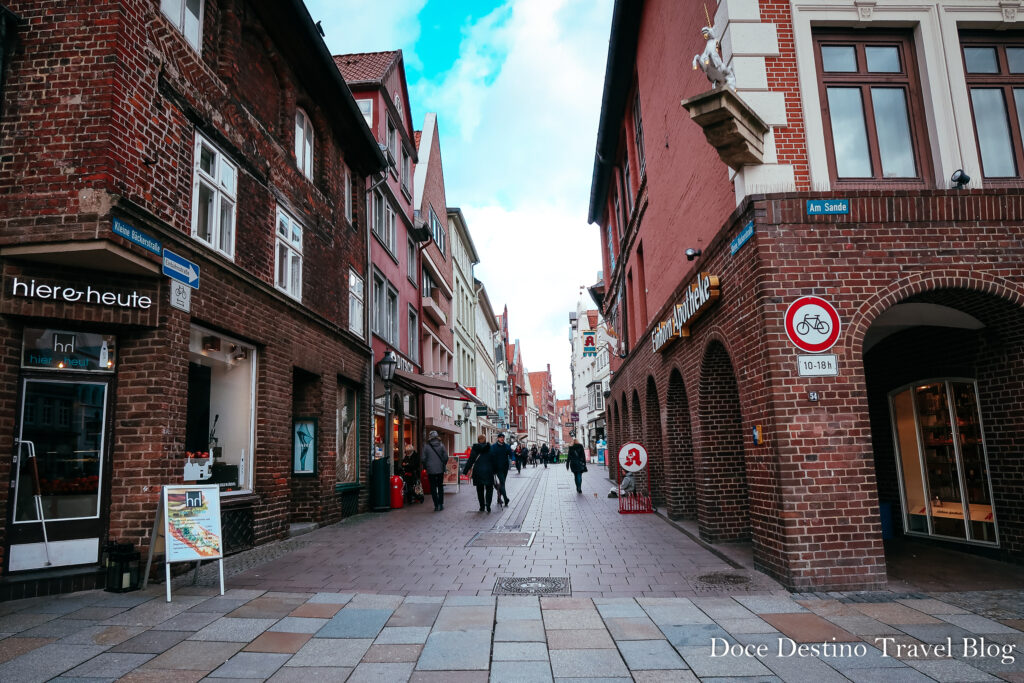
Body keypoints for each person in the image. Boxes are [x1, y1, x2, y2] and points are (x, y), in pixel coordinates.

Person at [463, 434, 496, 512]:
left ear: (478, 440)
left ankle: (482, 506)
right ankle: (488, 504)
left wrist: (465, 471)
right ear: (485, 440)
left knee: (480, 489)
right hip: (488, 471)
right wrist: (495, 471)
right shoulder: (490, 448)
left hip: (478, 471)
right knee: (489, 488)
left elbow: (471, 460)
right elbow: (494, 460)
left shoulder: (475, 449)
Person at [422, 430, 449, 511]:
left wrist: (426, 466)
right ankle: (441, 504)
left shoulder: (426, 447)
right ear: (437, 437)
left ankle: (436, 505)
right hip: (440, 469)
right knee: (440, 486)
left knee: (433, 488)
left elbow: (423, 458)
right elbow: (446, 457)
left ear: (430, 437)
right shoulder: (441, 445)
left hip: (430, 470)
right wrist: (443, 464)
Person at [490, 433, 513, 507]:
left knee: (502, 483)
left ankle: (498, 498)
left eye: (503, 437)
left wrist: (513, 459)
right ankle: (506, 498)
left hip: (505, 468)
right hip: (497, 468)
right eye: (500, 437)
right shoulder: (493, 447)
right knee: (502, 483)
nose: (502, 438)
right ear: (498, 438)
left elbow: (511, 454)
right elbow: (490, 456)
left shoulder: (507, 446)